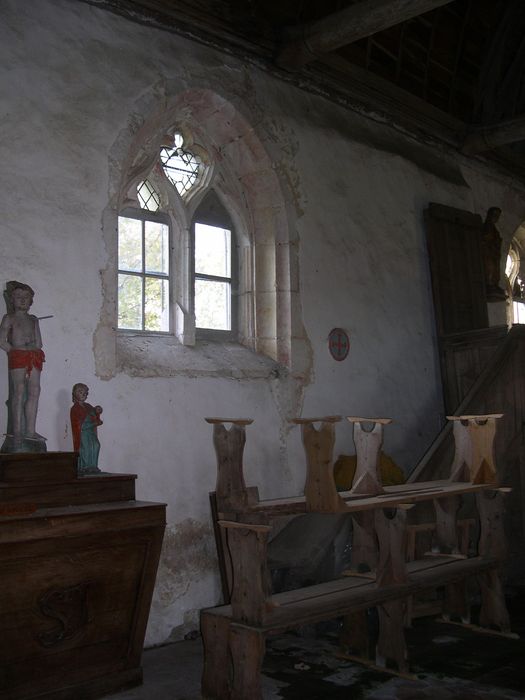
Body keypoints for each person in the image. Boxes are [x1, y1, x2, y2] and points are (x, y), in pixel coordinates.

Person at [0, 282, 45, 446]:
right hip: (18, 355)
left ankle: (30, 431)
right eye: (19, 297)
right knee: (19, 390)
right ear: (12, 299)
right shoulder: (9, 318)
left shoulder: (33, 320)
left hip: (33, 355)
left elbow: (39, 343)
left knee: (35, 390)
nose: (23, 300)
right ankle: (17, 431)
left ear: (31, 300)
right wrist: (12, 350)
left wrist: (32, 348)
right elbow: (2, 340)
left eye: (26, 297)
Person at [70, 383, 103, 473]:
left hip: (90, 432)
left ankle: (93, 466)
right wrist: (94, 423)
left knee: (96, 445)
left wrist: (98, 409)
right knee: (85, 448)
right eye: (80, 392)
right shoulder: (75, 408)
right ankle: (85, 467)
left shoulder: (88, 406)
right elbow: (80, 426)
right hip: (82, 433)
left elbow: (95, 412)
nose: (83, 394)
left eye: (85, 393)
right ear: (75, 394)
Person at [481, 207, 506, 299]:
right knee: (490, 268)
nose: (496, 218)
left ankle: (494, 285)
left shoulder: (494, 229)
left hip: (494, 253)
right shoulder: (486, 226)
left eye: (497, 216)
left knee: (495, 269)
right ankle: (490, 284)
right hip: (488, 253)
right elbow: (484, 239)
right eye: (494, 215)